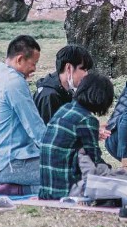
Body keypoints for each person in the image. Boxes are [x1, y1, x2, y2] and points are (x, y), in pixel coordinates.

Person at [0, 34, 48, 191]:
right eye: (34, 63)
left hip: (3, 160)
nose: (35, 68)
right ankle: (18, 189)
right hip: (10, 163)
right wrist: (58, 150)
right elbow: (35, 127)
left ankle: (17, 188)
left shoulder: (3, 74)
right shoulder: (14, 82)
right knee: (69, 172)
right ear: (19, 60)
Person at [38, 72, 115, 200]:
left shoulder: (64, 109)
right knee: (110, 176)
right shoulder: (86, 119)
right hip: (67, 190)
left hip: (46, 189)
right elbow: (95, 159)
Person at [33, 44, 95, 123]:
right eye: (84, 69)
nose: (86, 74)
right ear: (68, 68)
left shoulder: (65, 90)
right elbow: (51, 132)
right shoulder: (50, 96)